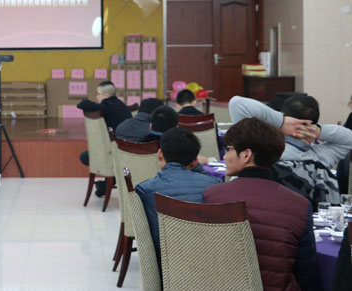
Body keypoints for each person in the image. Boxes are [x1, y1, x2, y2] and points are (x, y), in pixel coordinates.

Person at [203, 118, 318, 290]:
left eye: (228, 149)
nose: (225, 156)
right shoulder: (300, 205)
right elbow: (307, 273)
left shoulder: (212, 197)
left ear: (246, 155)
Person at [136, 127, 220, 261]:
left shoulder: (143, 190)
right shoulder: (214, 186)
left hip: (165, 262)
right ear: (195, 162)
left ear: (160, 154)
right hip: (207, 260)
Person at [229, 95, 352, 169]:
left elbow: (237, 103)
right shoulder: (319, 158)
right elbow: (348, 137)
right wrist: (318, 131)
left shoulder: (263, 150)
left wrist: (281, 122)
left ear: (283, 114)